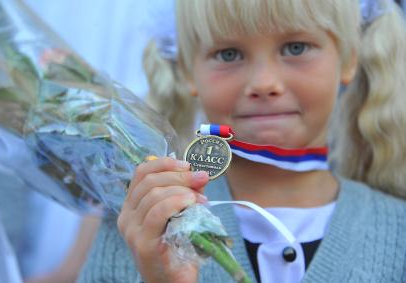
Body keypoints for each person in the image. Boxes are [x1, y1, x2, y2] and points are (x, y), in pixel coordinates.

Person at [78, 0, 406, 282]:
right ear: (188, 71)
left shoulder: (397, 234)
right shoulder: (145, 223)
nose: (264, 83)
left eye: (296, 48)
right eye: (229, 53)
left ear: (349, 58)